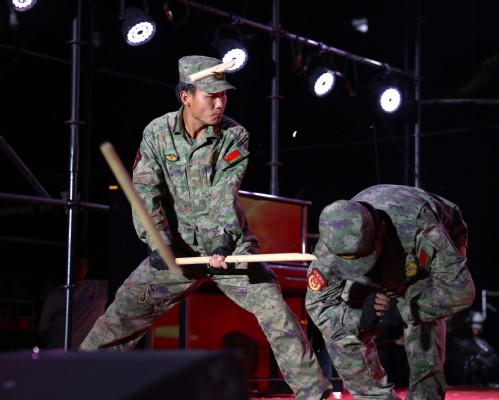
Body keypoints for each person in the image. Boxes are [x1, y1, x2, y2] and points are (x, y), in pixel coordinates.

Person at [79, 55, 332, 400]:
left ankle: (315, 394)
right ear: (186, 96)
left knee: (278, 315)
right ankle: (73, 384)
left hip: (229, 246)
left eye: (223, 95)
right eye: (211, 95)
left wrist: (221, 242)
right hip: (176, 249)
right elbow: (145, 191)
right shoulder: (157, 133)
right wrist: (158, 241)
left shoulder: (234, 135)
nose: (219, 103)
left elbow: (223, 193)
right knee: (119, 318)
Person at [305, 184, 476, 399]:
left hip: (418, 248)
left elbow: (461, 291)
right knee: (339, 327)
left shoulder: (422, 230)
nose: (359, 267)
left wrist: (402, 310)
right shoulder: (331, 245)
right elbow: (319, 306)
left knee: (421, 313)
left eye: (363, 257)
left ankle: (425, 395)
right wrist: (360, 318)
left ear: (381, 231)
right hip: (385, 253)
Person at [38, 257, 108, 349]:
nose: (81, 269)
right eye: (77, 264)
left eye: (85, 265)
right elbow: (44, 331)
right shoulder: (54, 295)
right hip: (60, 351)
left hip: (86, 353)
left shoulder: (97, 288)